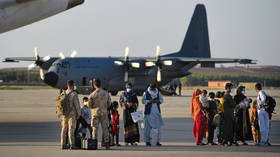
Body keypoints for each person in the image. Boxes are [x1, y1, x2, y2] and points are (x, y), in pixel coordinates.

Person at [88, 79, 111, 149]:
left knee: (95, 128)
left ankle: (94, 143)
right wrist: (104, 107)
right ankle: (107, 143)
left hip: (95, 112)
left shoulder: (92, 94)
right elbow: (109, 103)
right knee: (105, 128)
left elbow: (89, 105)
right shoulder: (106, 93)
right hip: (103, 112)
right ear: (100, 84)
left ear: (94, 85)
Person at [60, 80, 81, 149]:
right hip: (71, 114)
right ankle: (72, 144)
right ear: (72, 85)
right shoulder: (74, 94)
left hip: (64, 114)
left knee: (64, 129)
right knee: (71, 129)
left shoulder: (63, 93)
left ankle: (63, 144)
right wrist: (79, 114)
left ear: (67, 85)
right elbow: (77, 105)